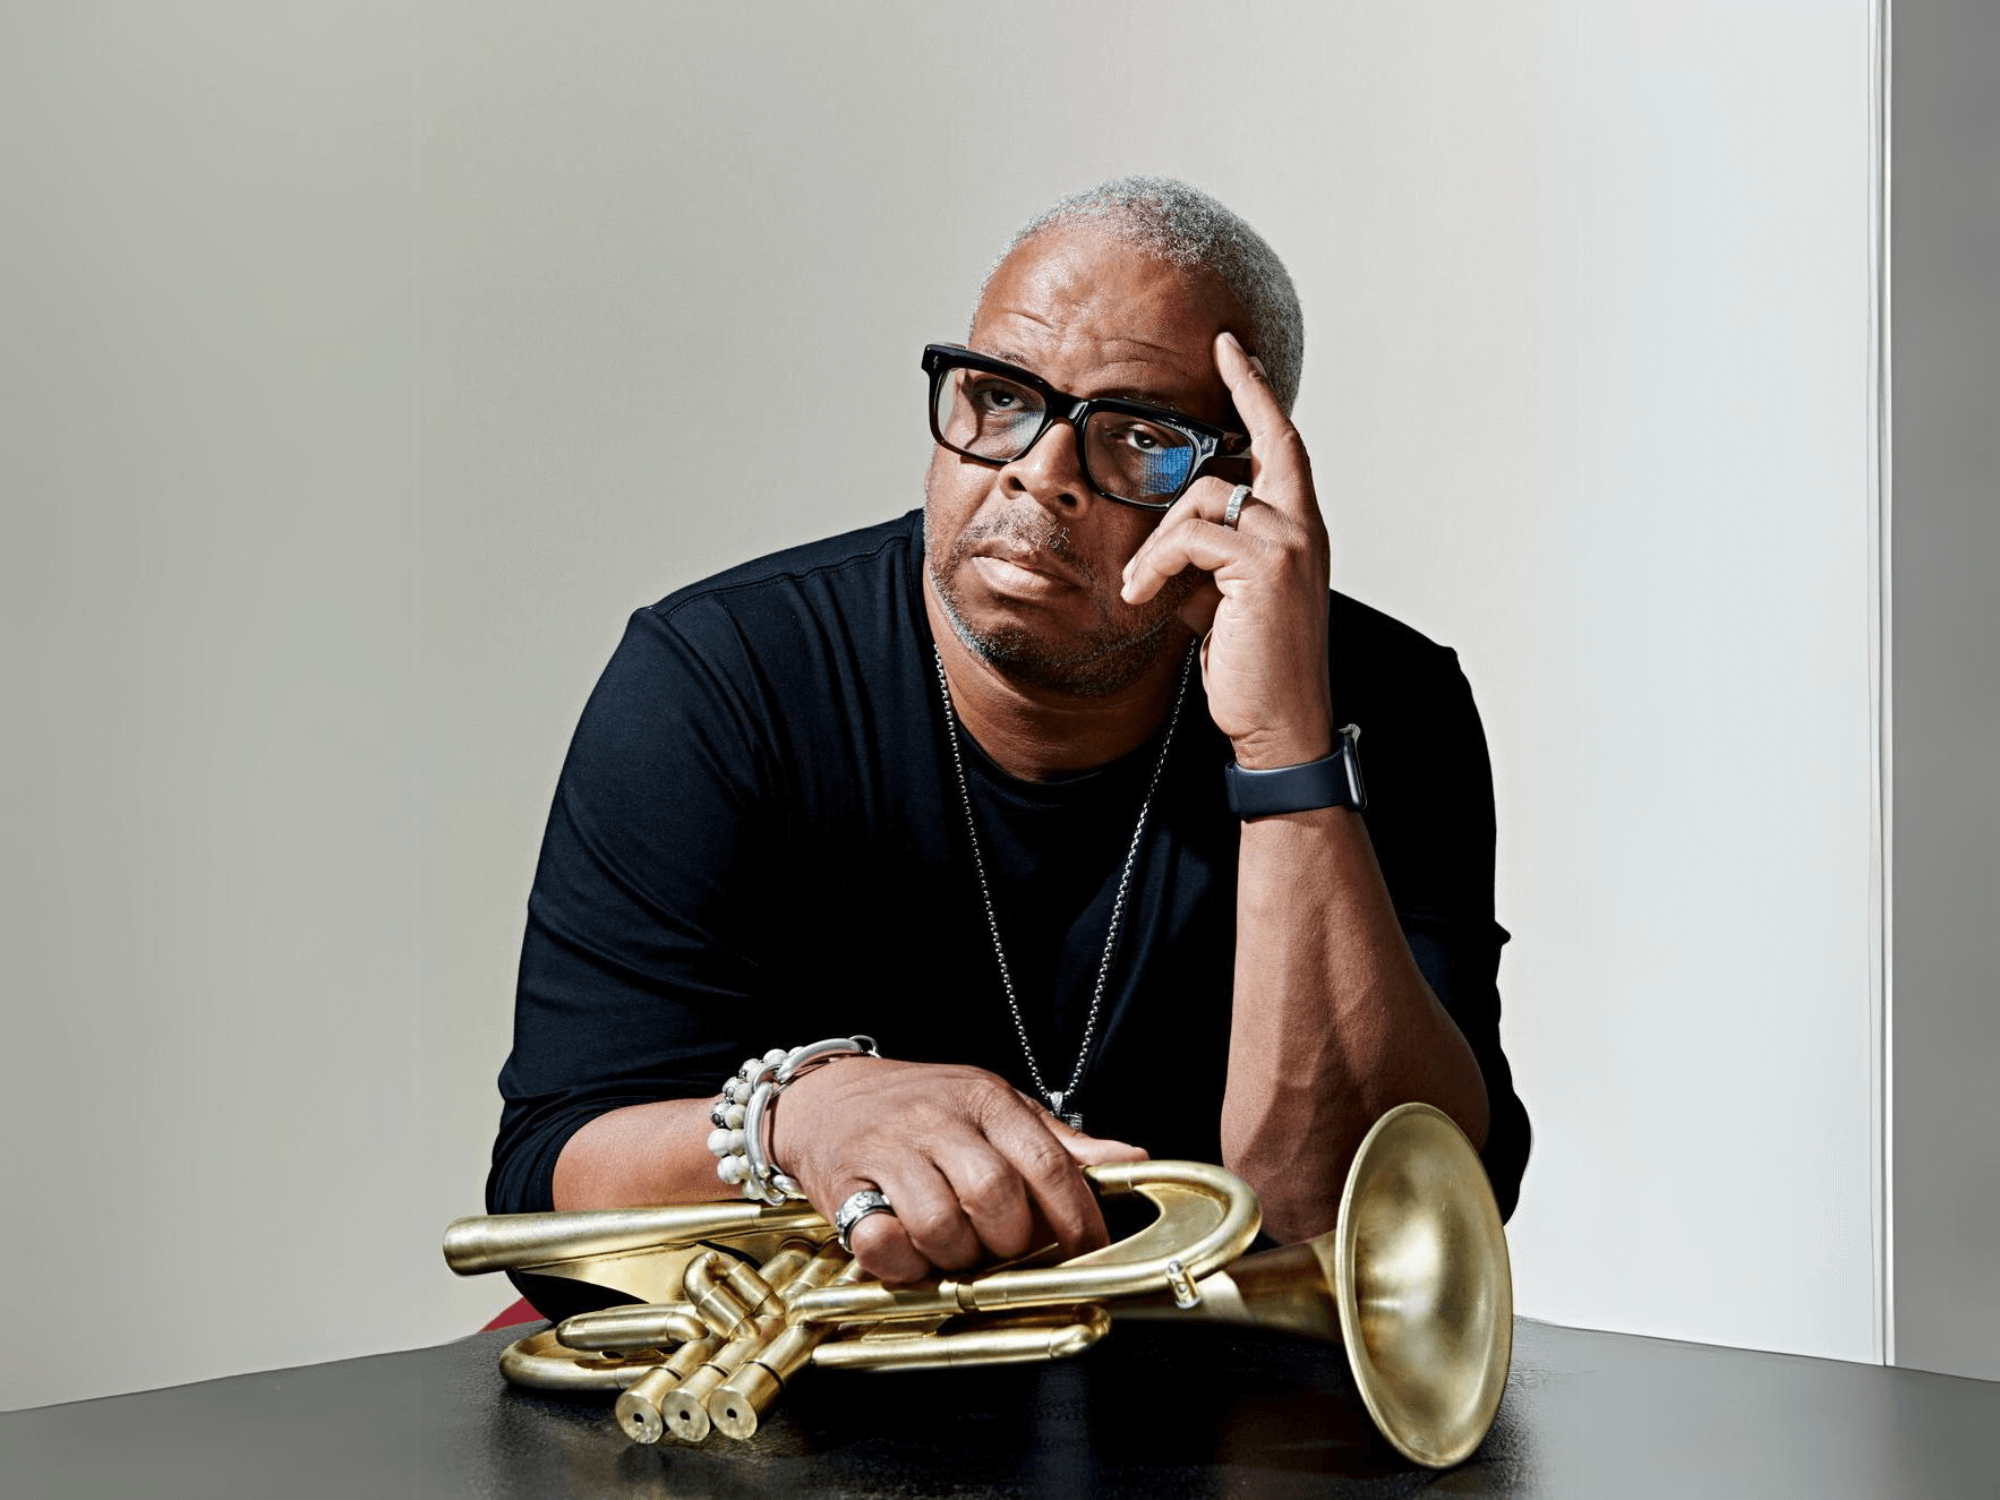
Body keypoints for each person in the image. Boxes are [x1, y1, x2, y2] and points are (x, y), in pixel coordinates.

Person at [488, 176, 1529, 1302]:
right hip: (802, 1417)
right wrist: (800, 1113)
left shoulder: (1384, 702)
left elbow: (1340, 1231)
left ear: (1234, 486)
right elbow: (548, 1184)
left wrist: (1283, 747)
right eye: (997, 397)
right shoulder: (714, 682)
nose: (1039, 471)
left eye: (1133, 435)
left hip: (1209, 1413)